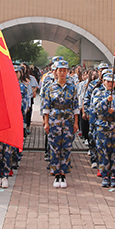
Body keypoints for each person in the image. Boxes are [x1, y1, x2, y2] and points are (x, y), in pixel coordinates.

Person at [44, 60, 79, 188]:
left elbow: (75, 106)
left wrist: (76, 123)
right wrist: (46, 123)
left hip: (68, 121)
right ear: (56, 72)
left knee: (66, 148)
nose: (62, 73)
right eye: (60, 70)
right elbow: (46, 107)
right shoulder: (50, 87)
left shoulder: (72, 87)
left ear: (67, 72)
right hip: (54, 121)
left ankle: (63, 174)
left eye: (65, 70)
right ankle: (56, 174)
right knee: (54, 148)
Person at [93, 72, 115, 188]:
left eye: (112, 82)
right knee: (103, 152)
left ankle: (113, 176)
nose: (110, 84)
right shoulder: (98, 93)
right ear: (103, 82)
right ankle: (104, 175)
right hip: (103, 126)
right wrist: (106, 101)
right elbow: (95, 109)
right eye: (108, 81)